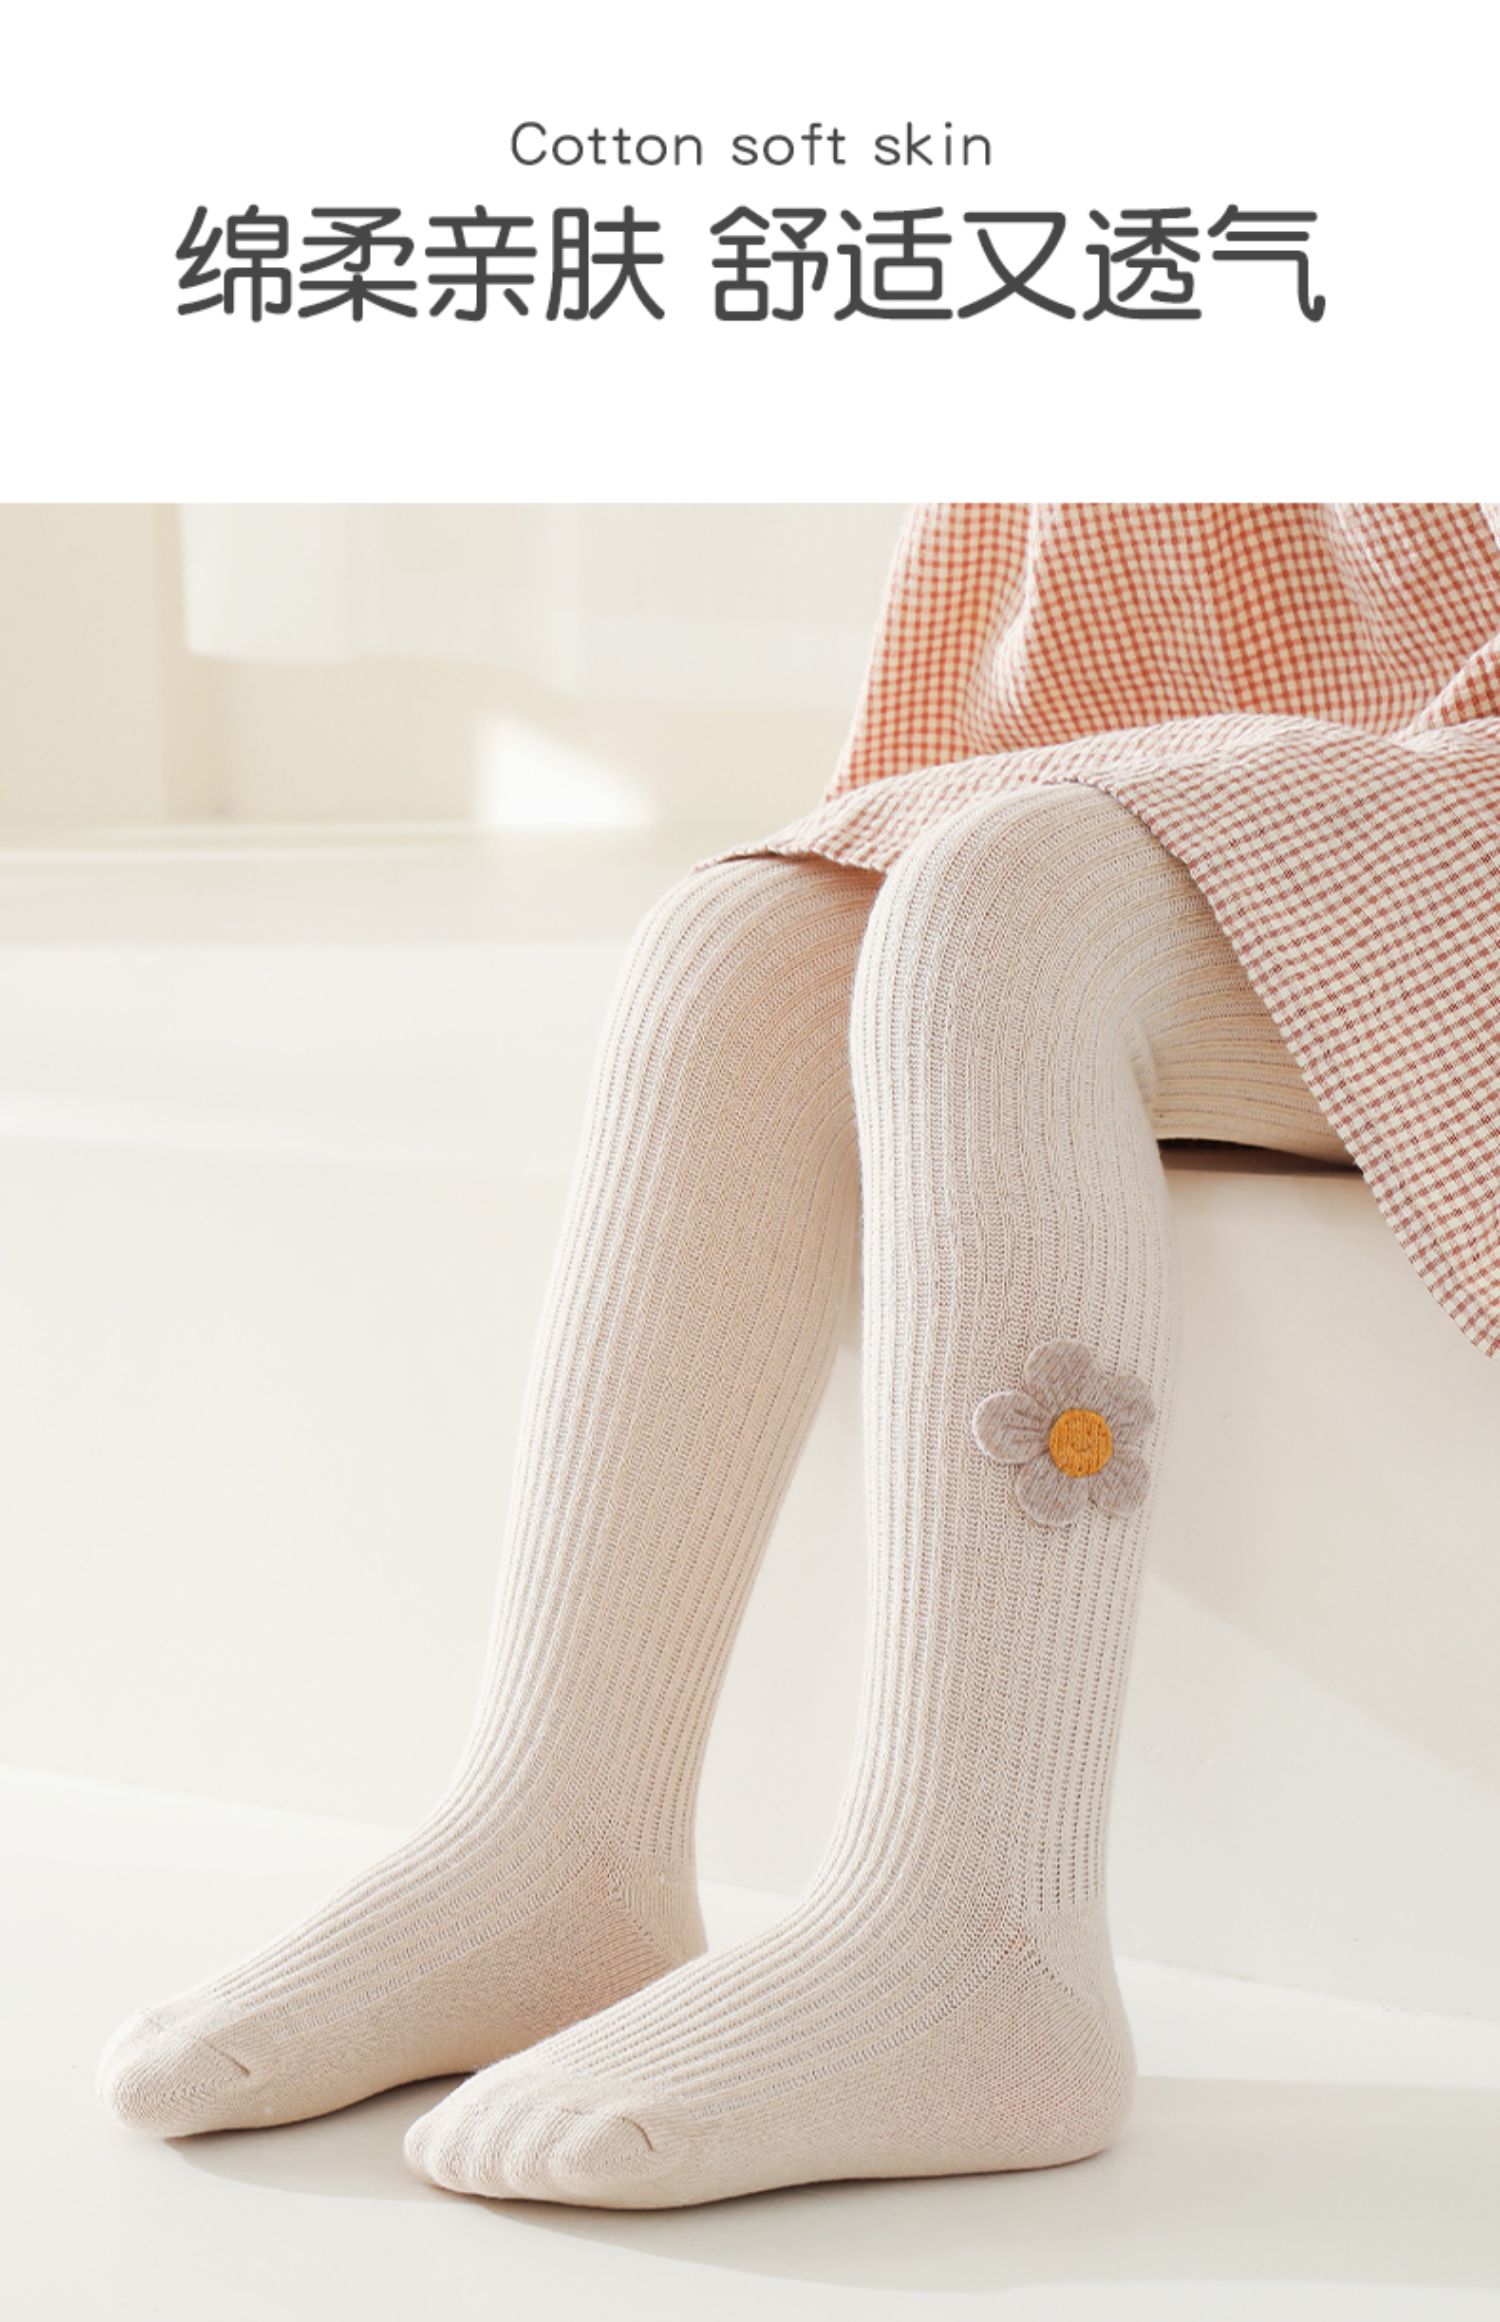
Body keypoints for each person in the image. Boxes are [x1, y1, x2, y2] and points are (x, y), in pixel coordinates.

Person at [100, 503, 1500, 2209]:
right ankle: (555, 1838)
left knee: (1015, 916)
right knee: (747, 950)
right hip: (1373, 741)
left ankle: (980, 1923)